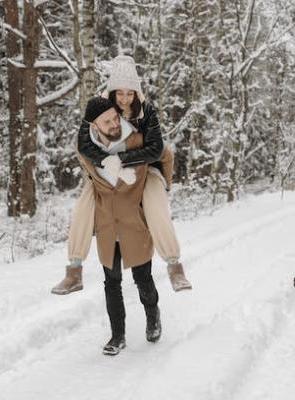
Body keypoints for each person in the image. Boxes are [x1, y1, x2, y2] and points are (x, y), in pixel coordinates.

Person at [52, 55, 191, 295]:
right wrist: (107, 161)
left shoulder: (146, 112)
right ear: (112, 92)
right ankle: (74, 271)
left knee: (155, 207)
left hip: (148, 169)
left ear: (136, 93)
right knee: (83, 208)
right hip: (109, 172)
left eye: (130, 93)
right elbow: (84, 145)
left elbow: (156, 149)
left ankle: (174, 266)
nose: (125, 99)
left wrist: (122, 159)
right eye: (120, 93)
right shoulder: (100, 110)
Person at [77, 96, 163, 355]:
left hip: (135, 222)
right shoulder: (87, 150)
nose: (114, 123)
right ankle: (117, 336)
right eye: (107, 121)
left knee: (142, 278)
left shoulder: (136, 140)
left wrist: (158, 191)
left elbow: (161, 154)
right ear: (94, 126)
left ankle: (153, 316)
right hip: (106, 224)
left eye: (116, 117)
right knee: (111, 282)